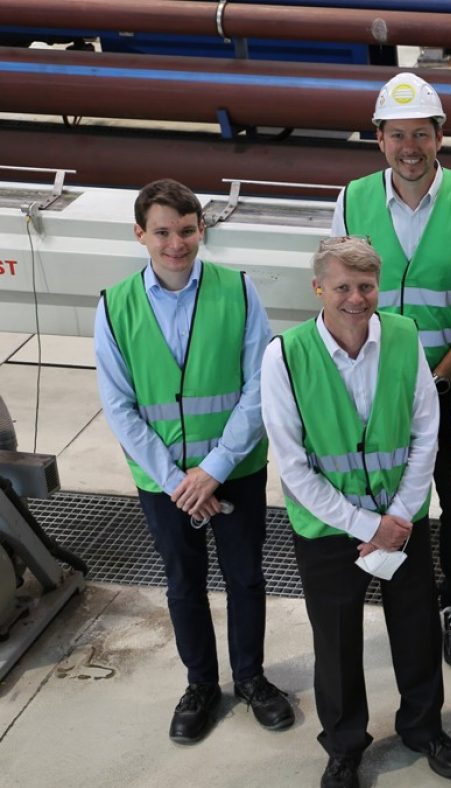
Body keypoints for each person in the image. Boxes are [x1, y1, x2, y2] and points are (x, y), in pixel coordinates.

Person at [261, 237, 451, 787]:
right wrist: (367, 526)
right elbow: (293, 464)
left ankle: (424, 729)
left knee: (417, 628)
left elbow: (427, 431)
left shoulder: (404, 336)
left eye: (366, 287)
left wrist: (398, 518)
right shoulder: (285, 354)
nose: (356, 299)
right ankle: (345, 744)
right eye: (342, 288)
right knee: (335, 640)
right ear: (318, 290)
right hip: (330, 529)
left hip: (400, 521)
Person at [95, 178, 292, 744]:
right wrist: (178, 479)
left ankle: (251, 677)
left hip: (236, 470)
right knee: (183, 582)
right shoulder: (114, 306)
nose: (175, 243)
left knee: (246, 576)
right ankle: (201, 683)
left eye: (186, 230)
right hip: (165, 483)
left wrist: (215, 468)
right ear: (140, 235)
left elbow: (260, 385)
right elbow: (120, 405)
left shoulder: (239, 290)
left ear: (201, 229)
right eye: (162, 232)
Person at [331, 72, 451, 669]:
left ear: (439, 138)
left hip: (450, 384)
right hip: (377, 391)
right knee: (389, 495)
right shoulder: (351, 200)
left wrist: (439, 376)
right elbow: (339, 292)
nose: (410, 147)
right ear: (379, 139)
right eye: (398, 134)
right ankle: (407, 600)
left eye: (421, 135)